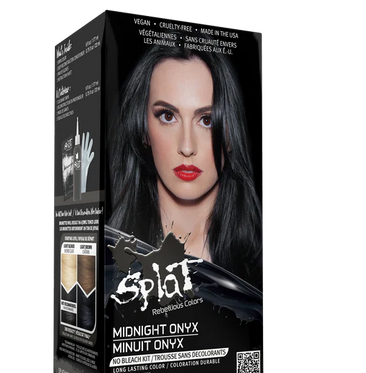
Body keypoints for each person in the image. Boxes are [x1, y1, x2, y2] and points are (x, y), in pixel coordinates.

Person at [108, 35, 262, 288]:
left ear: (231, 134)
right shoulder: (108, 263)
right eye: (168, 116)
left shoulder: (258, 265)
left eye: (207, 120)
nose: (187, 147)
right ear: (144, 130)